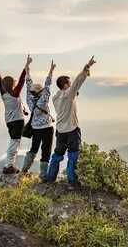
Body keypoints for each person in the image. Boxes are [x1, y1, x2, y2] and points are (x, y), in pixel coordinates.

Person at [47, 56, 96, 185]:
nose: (71, 85)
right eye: (69, 83)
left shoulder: (56, 97)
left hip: (60, 130)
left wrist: (74, 93)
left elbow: (72, 91)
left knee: (57, 155)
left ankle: (50, 178)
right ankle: (72, 182)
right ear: (65, 85)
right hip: (72, 130)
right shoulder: (68, 94)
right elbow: (78, 82)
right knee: (73, 155)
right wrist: (87, 66)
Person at [0, 55, 32, 174]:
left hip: (9, 121)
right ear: (12, 84)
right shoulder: (15, 93)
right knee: (14, 143)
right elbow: (21, 80)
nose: (16, 84)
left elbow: (0, 82)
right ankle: (9, 166)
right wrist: (26, 66)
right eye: (14, 83)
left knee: (14, 141)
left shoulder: (3, 94)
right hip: (17, 121)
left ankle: (10, 165)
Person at [21, 57, 56, 181]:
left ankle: (24, 170)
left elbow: (28, 82)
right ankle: (43, 176)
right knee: (46, 151)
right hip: (47, 128)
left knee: (33, 148)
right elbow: (47, 85)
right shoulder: (43, 99)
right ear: (40, 92)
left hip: (35, 128)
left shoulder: (29, 99)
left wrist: (27, 66)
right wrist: (51, 70)